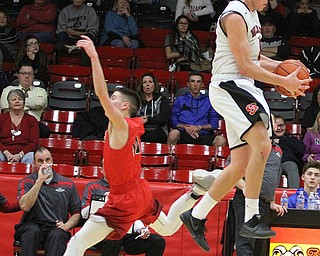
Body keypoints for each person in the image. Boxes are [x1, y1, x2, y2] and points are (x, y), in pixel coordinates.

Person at [63, 35, 216, 255]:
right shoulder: (131, 126)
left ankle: (196, 192)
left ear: (125, 106)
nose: (110, 99)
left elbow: (100, 95)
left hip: (123, 198)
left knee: (77, 243)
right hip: (139, 191)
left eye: (115, 97)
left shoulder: (121, 125)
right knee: (169, 228)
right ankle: (196, 191)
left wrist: (94, 56)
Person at [179, 0, 310, 252]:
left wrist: (286, 67)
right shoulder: (235, 15)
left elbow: (255, 58)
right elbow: (245, 66)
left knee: (240, 163)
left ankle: (196, 216)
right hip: (231, 85)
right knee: (263, 145)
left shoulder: (252, 14)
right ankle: (251, 217)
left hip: (243, 87)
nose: (269, 2)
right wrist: (285, 80)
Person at [232, 116, 286, 256]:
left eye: (275, 122)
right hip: (246, 200)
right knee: (245, 241)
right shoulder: (246, 144)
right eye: (271, 121)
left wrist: (272, 200)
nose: (274, 125)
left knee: (259, 244)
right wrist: (246, 189)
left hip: (264, 202)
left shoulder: (278, 149)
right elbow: (230, 170)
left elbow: (274, 176)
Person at [14, 146, 81, 256]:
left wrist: (67, 225)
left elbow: (76, 213)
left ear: (52, 161)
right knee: (32, 232)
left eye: (47, 160)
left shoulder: (68, 183)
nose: (44, 163)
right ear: (34, 163)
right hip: (31, 225)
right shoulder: (27, 181)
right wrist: (39, 181)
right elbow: (25, 206)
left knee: (58, 235)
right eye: (40, 161)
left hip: (55, 227)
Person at [81, 173, 166, 256]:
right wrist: (103, 203)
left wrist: (141, 229)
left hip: (125, 233)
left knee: (157, 241)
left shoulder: (126, 189)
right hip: (99, 233)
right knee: (115, 236)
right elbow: (84, 213)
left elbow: (133, 214)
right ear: (102, 170)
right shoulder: (92, 186)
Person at [167, 71, 226, 147]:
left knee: (221, 140)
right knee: (173, 134)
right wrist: (186, 127)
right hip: (184, 133)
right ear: (188, 84)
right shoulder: (180, 100)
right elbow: (173, 121)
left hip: (203, 134)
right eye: (192, 81)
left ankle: (214, 159)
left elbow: (214, 124)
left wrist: (198, 127)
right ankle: (169, 158)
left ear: (202, 85)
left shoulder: (209, 101)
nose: (195, 85)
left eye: (198, 82)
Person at [0, 64, 50, 138]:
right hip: (10, 122)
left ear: (33, 76)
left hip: (33, 124)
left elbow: (41, 103)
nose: (27, 76)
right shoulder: (8, 89)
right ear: (18, 75)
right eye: (23, 73)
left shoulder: (40, 91)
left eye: (30, 74)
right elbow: (4, 105)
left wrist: (16, 103)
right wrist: (31, 105)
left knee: (45, 131)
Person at [0, 89, 39, 163]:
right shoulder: (1, 118)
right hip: (4, 152)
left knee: (30, 157)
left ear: (24, 103)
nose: (17, 101)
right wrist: (7, 154)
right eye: (14, 99)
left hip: (24, 153)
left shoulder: (32, 120)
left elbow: (34, 143)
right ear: (9, 103)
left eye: (20, 99)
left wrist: (20, 155)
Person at [56, 0, 99, 65]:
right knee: (61, 36)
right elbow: (61, 30)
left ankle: (84, 66)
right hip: (68, 38)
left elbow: (93, 31)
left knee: (88, 38)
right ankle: (59, 64)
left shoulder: (90, 11)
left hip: (83, 38)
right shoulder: (65, 11)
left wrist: (74, 33)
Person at [136, 72, 170, 144]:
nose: (147, 84)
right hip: (139, 129)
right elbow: (131, 116)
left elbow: (163, 119)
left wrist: (147, 120)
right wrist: (139, 120)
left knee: (155, 136)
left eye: (150, 82)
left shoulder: (162, 100)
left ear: (154, 85)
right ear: (141, 85)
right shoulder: (136, 100)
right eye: (144, 82)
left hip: (157, 130)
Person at [274, 115, 304, 188]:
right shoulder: (266, 140)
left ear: (285, 126)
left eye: (281, 125)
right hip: (272, 164)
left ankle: (294, 196)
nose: (279, 128)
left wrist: (281, 141)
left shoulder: (291, 140)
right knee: (273, 168)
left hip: (287, 163)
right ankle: (270, 197)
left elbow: (301, 151)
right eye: (276, 126)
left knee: (292, 166)